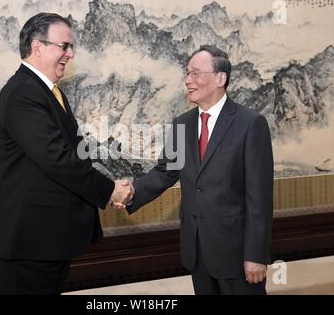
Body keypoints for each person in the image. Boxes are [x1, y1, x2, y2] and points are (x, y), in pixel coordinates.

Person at [0, 12, 133, 295]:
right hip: (29, 244)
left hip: (47, 241)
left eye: (71, 47)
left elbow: (72, 153)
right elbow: (58, 160)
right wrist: (110, 190)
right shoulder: (23, 93)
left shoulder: (48, 91)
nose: (70, 54)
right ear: (37, 46)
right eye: (64, 46)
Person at [116, 45, 274, 295]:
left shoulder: (251, 124)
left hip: (236, 255)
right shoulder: (183, 124)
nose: (188, 80)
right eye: (187, 74)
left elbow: (260, 198)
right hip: (197, 253)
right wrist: (131, 191)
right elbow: (165, 171)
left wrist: (256, 255)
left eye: (196, 73)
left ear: (220, 78)